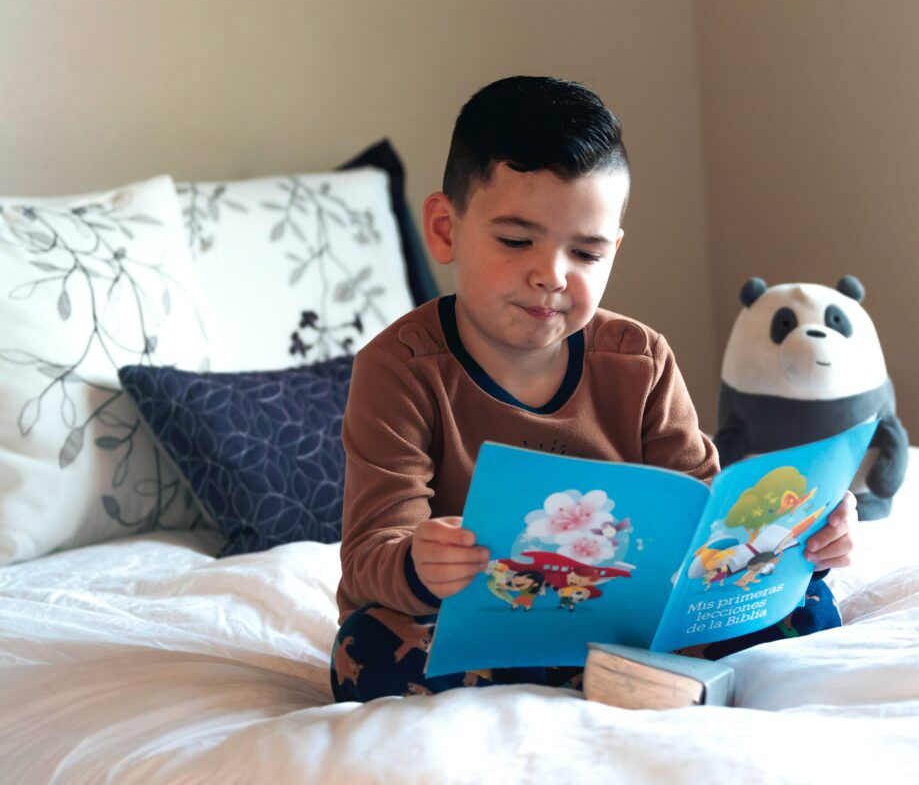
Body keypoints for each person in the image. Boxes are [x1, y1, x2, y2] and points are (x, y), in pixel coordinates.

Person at [330, 76, 857, 702]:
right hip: (480, 620)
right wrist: (419, 563)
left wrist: (803, 535)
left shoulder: (639, 359)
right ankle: (619, 680)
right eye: (515, 240)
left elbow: (711, 516)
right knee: (367, 652)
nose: (551, 275)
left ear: (614, 252)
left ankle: (616, 672)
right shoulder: (401, 368)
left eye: (585, 252)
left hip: (634, 616)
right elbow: (370, 552)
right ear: (445, 228)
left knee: (808, 605)